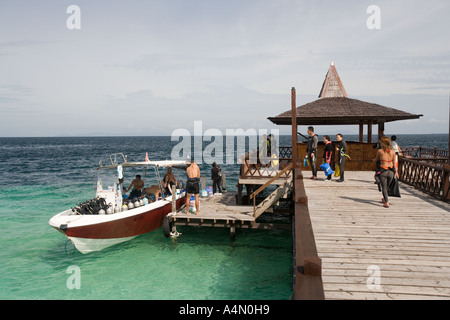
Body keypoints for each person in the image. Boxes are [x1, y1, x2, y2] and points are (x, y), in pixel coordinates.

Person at [375, 136, 398, 208]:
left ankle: (386, 202)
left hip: (383, 170)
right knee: (387, 186)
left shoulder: (380, 151)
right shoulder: (393, 152)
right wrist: (396, 172)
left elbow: (376, 159)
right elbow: (394, 163)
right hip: (391, 170)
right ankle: (385, 198)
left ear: (383, 143)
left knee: (384, 187)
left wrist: (373, 160)